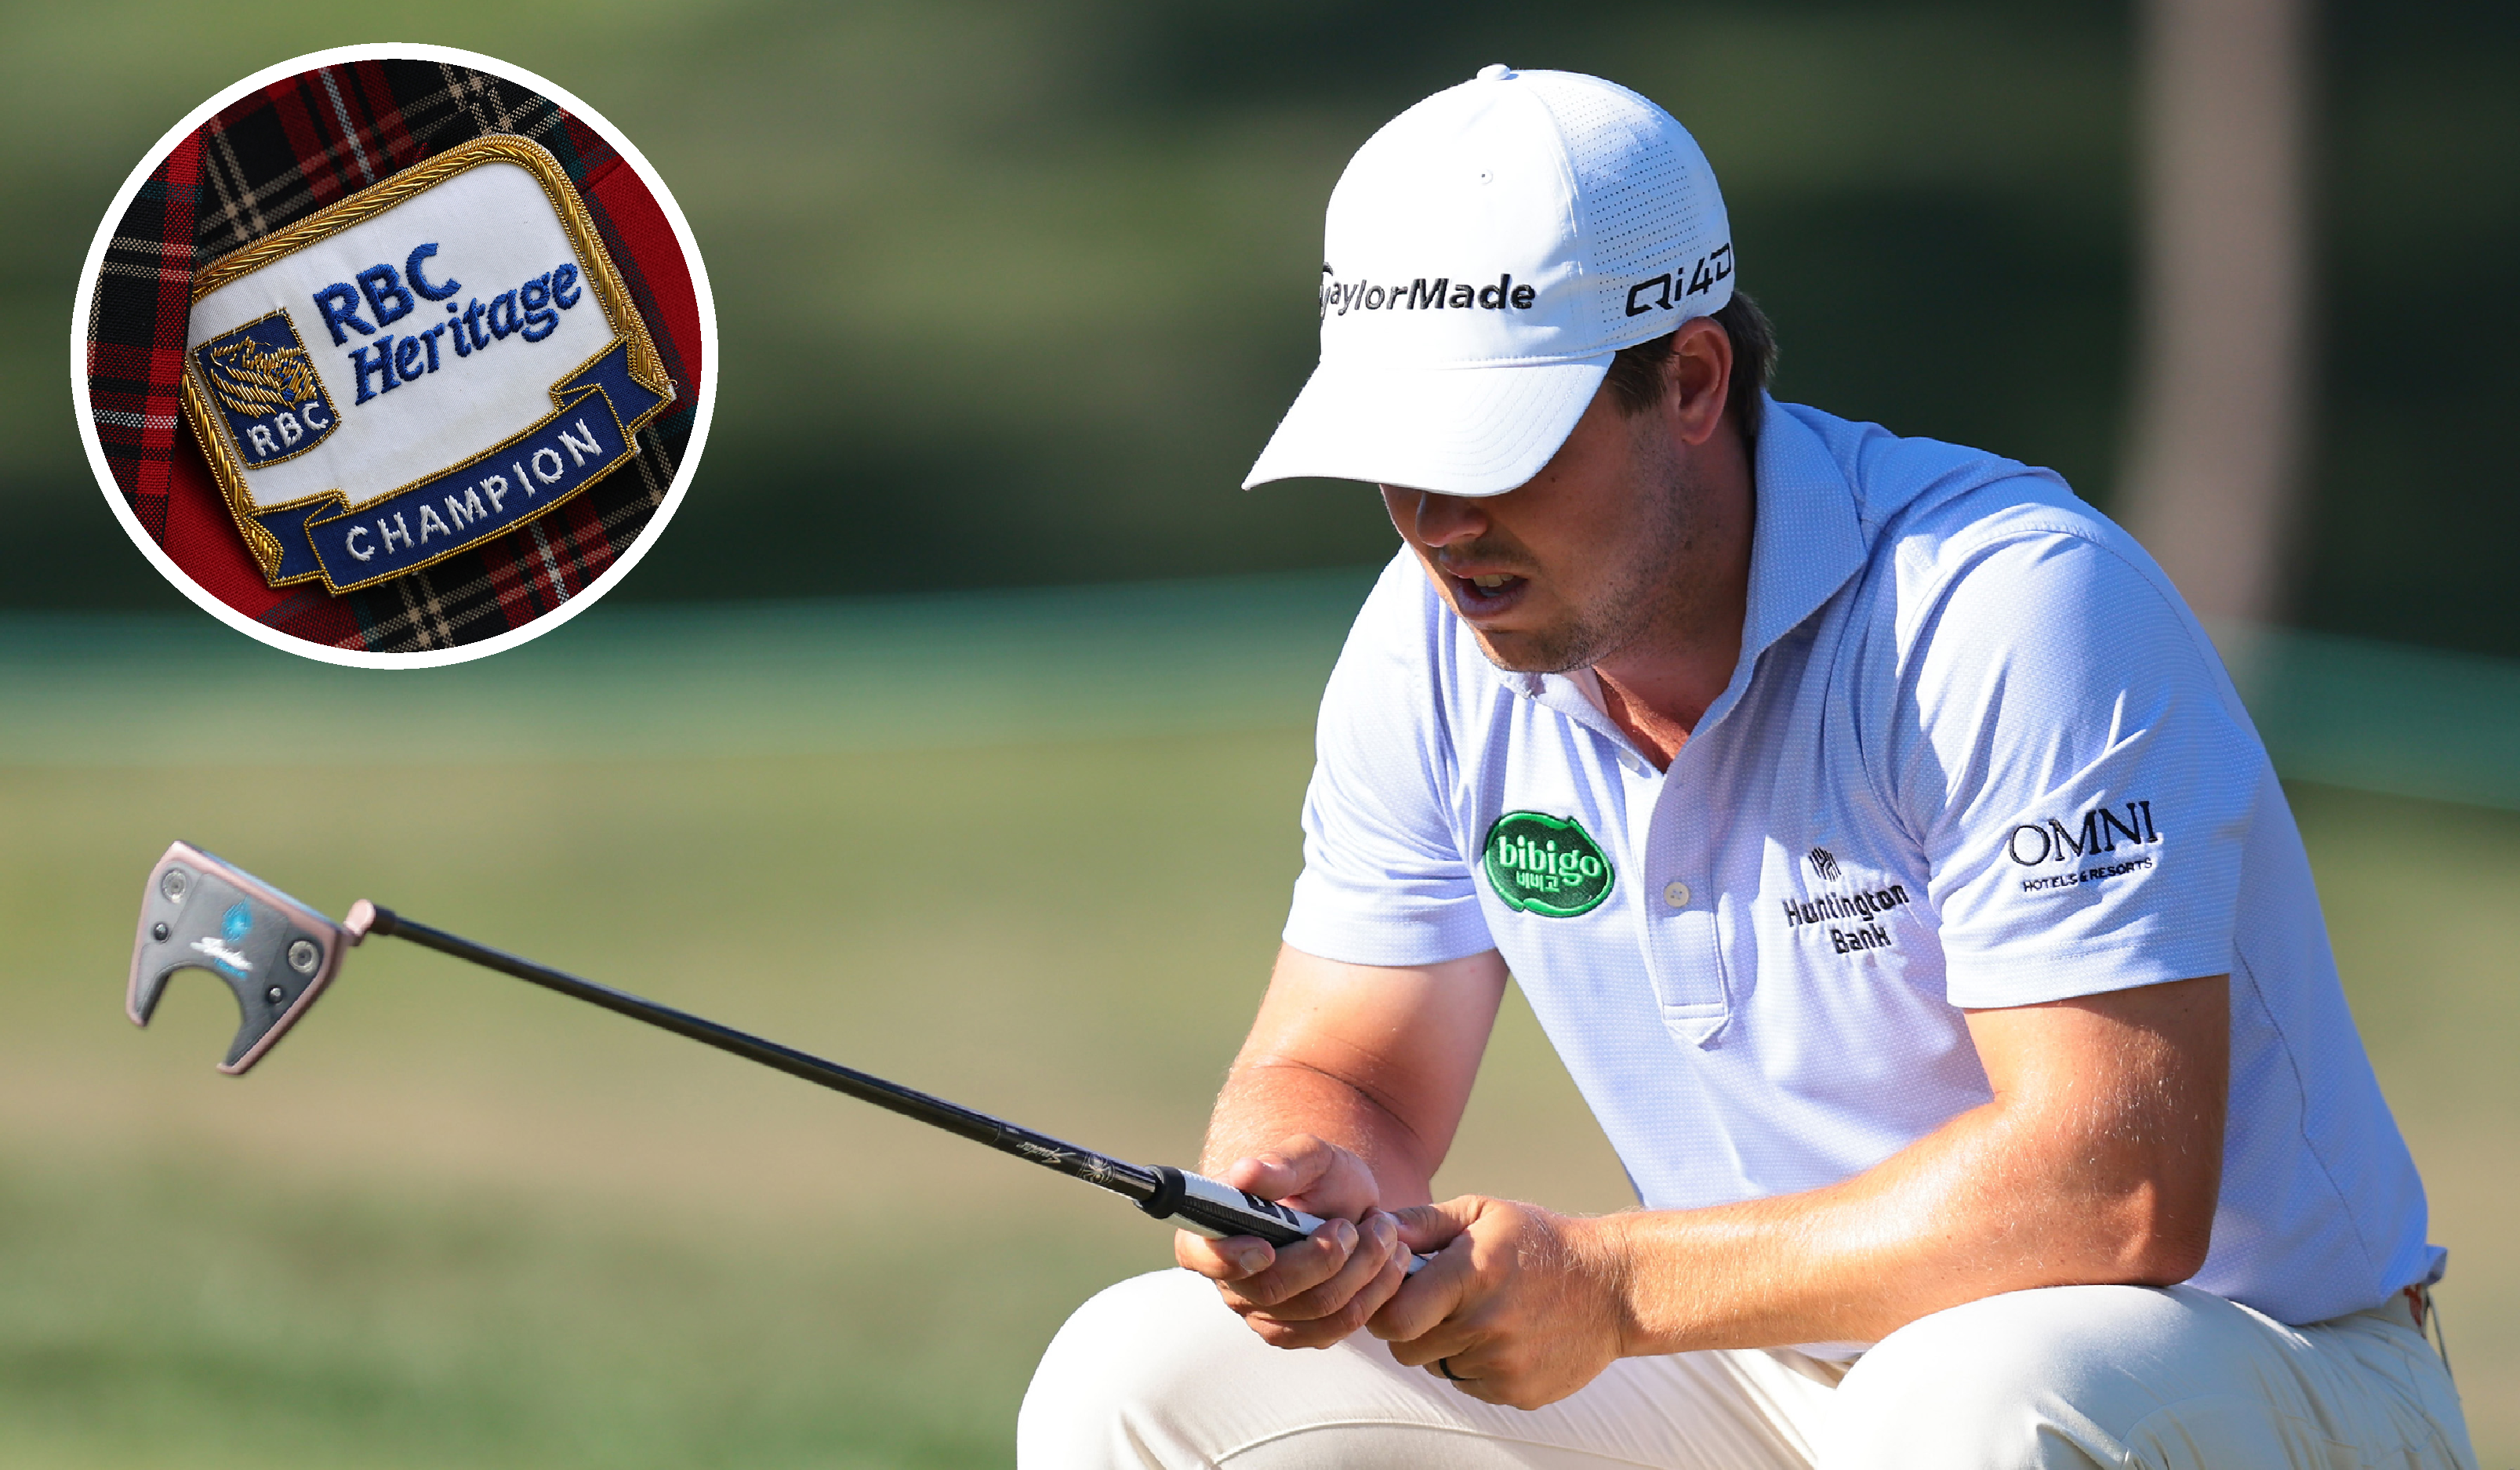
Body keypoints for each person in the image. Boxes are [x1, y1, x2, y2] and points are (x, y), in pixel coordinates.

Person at [1017, 66, 2474, 1468]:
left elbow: (2114, 1188)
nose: (1437, 520)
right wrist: (1299, 1193)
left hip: (2257, 1367)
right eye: (1393, 450)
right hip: (1777, 1370)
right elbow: (1350, 1074)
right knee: (1139, 1381)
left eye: (1491, 446)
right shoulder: (1429, 642)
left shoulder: (2008, 603)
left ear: (1693, 379)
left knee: (1964, 1407)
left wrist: (1618, 1288)